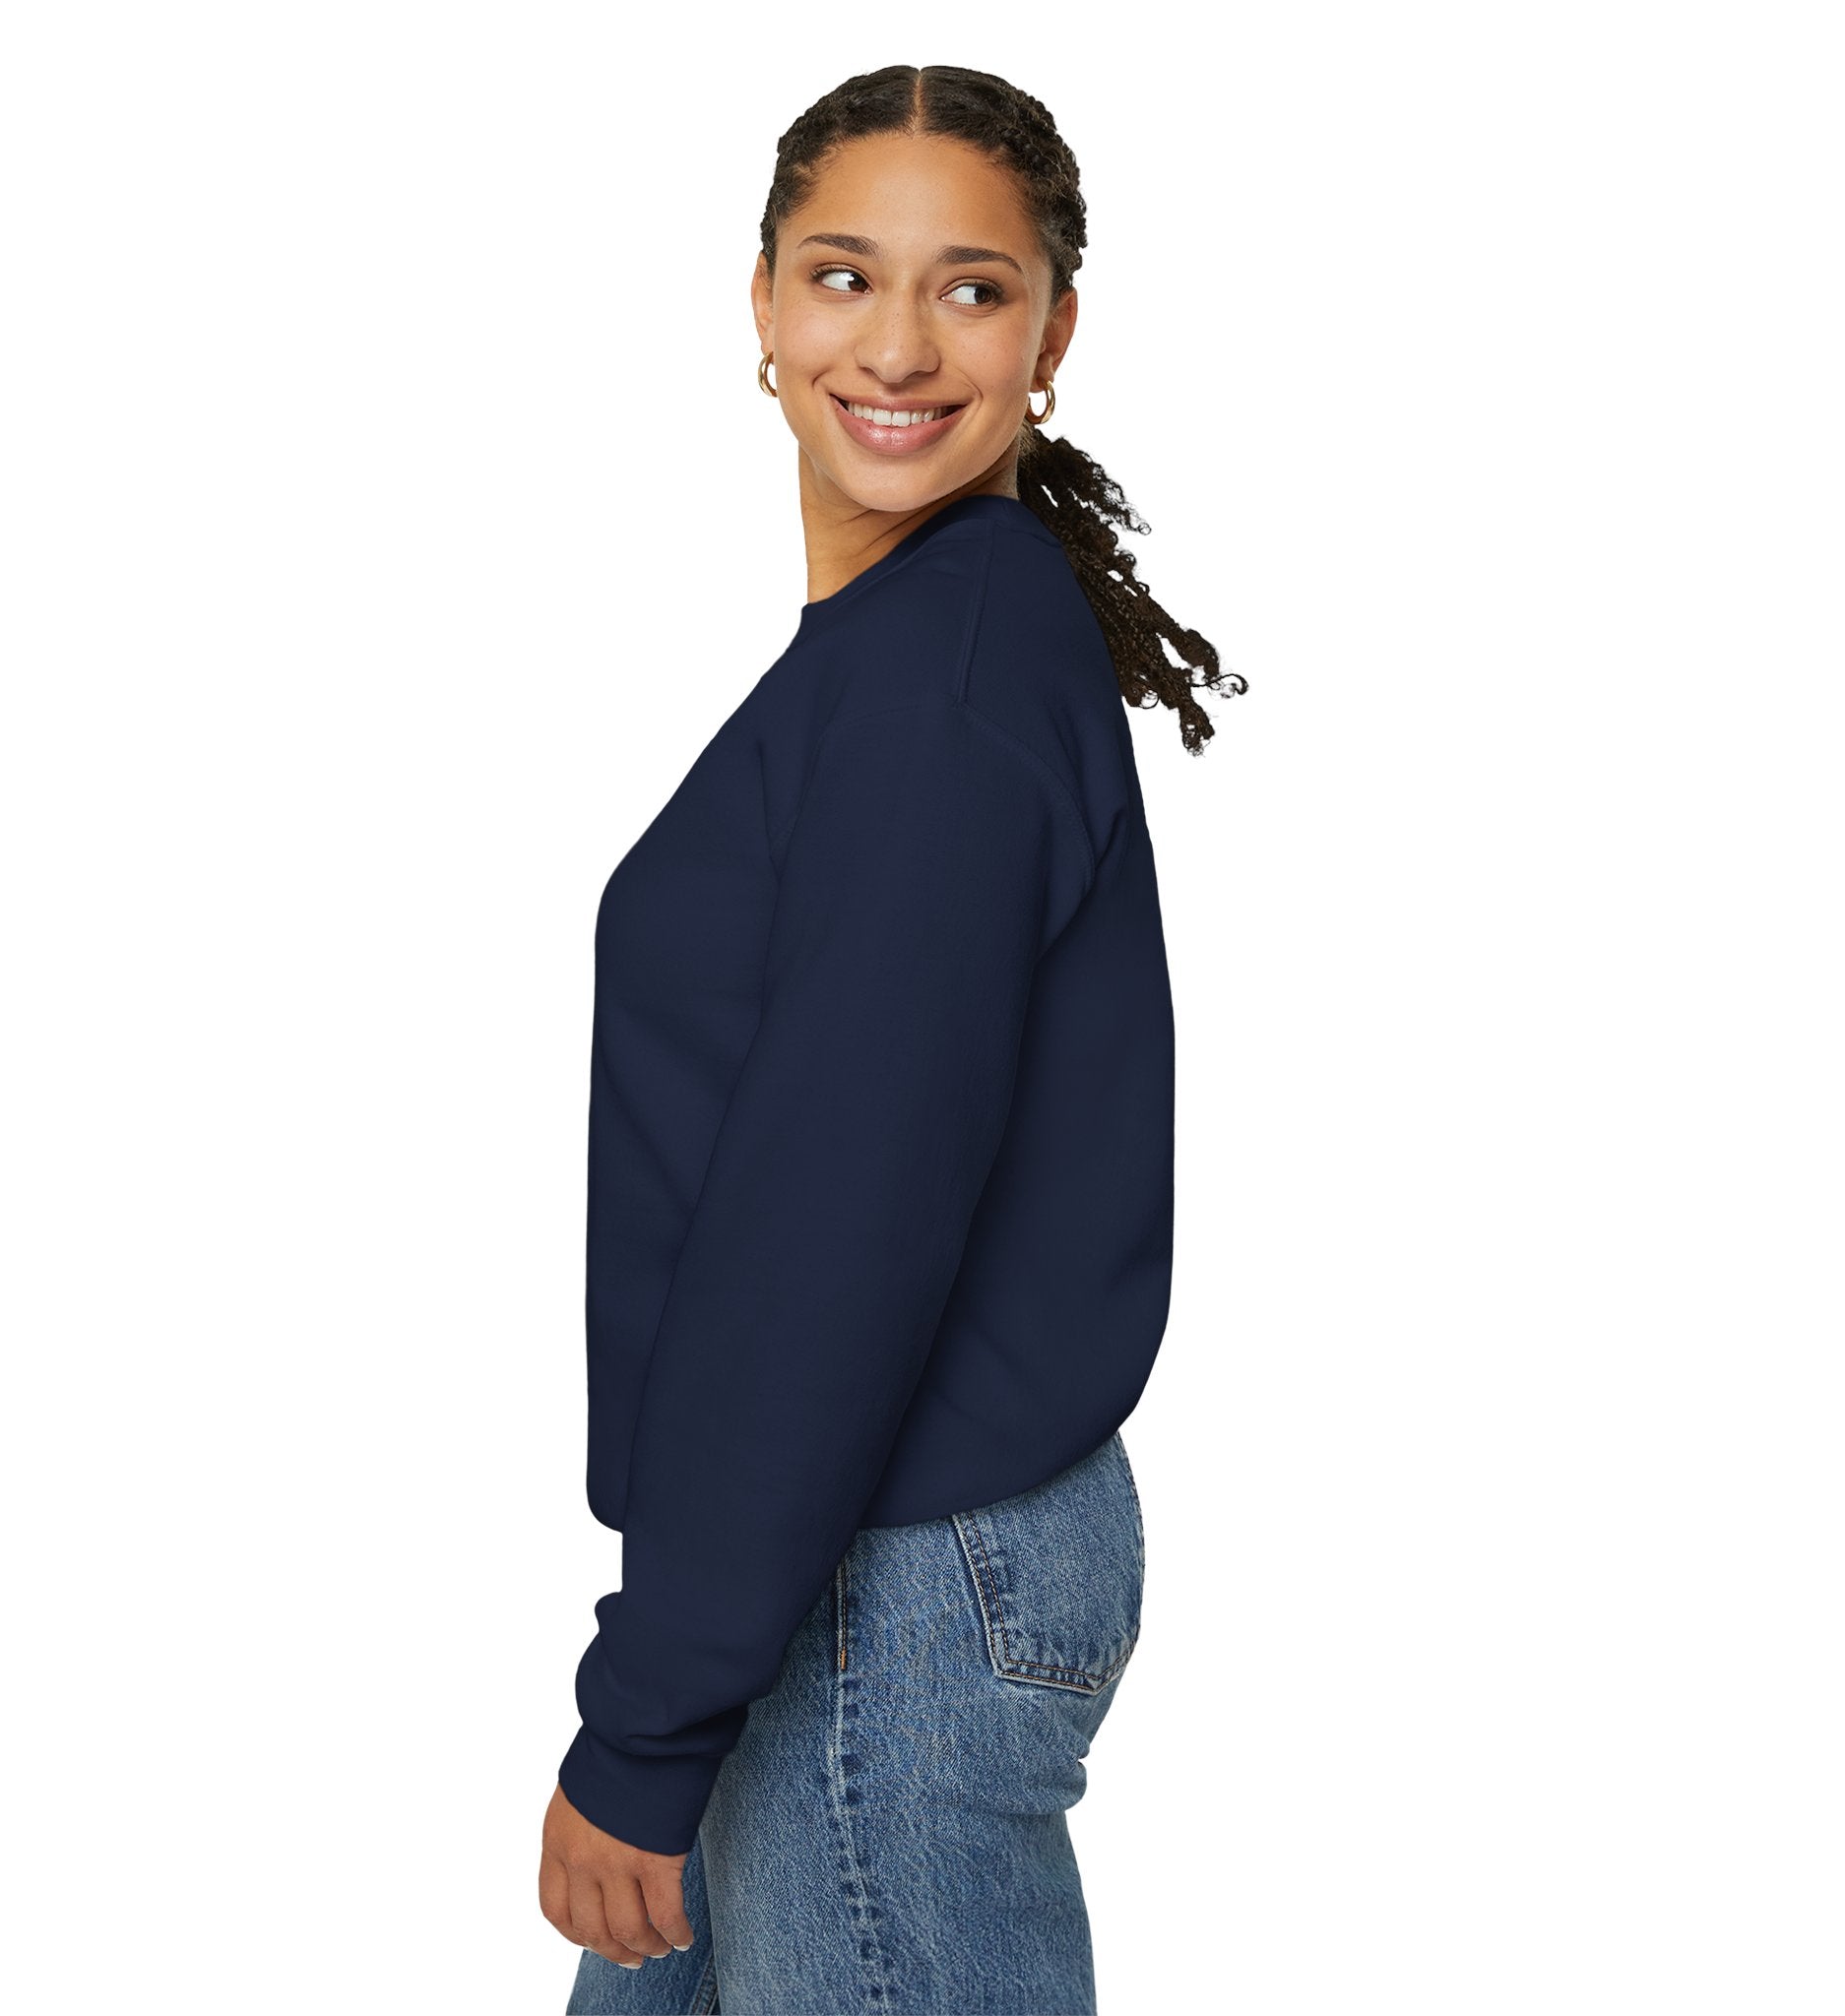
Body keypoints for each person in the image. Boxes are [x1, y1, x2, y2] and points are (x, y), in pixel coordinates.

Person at [539, 63, 1241, 2016]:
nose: (900, 345)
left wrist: (649, 1715)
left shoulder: (937, 684)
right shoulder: (921, 643)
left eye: (974, 288)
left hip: (886, 1585)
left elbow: (833, 1220)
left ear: (1053, 332)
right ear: (759, 301)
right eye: (847, 276)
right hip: (824, 1561)